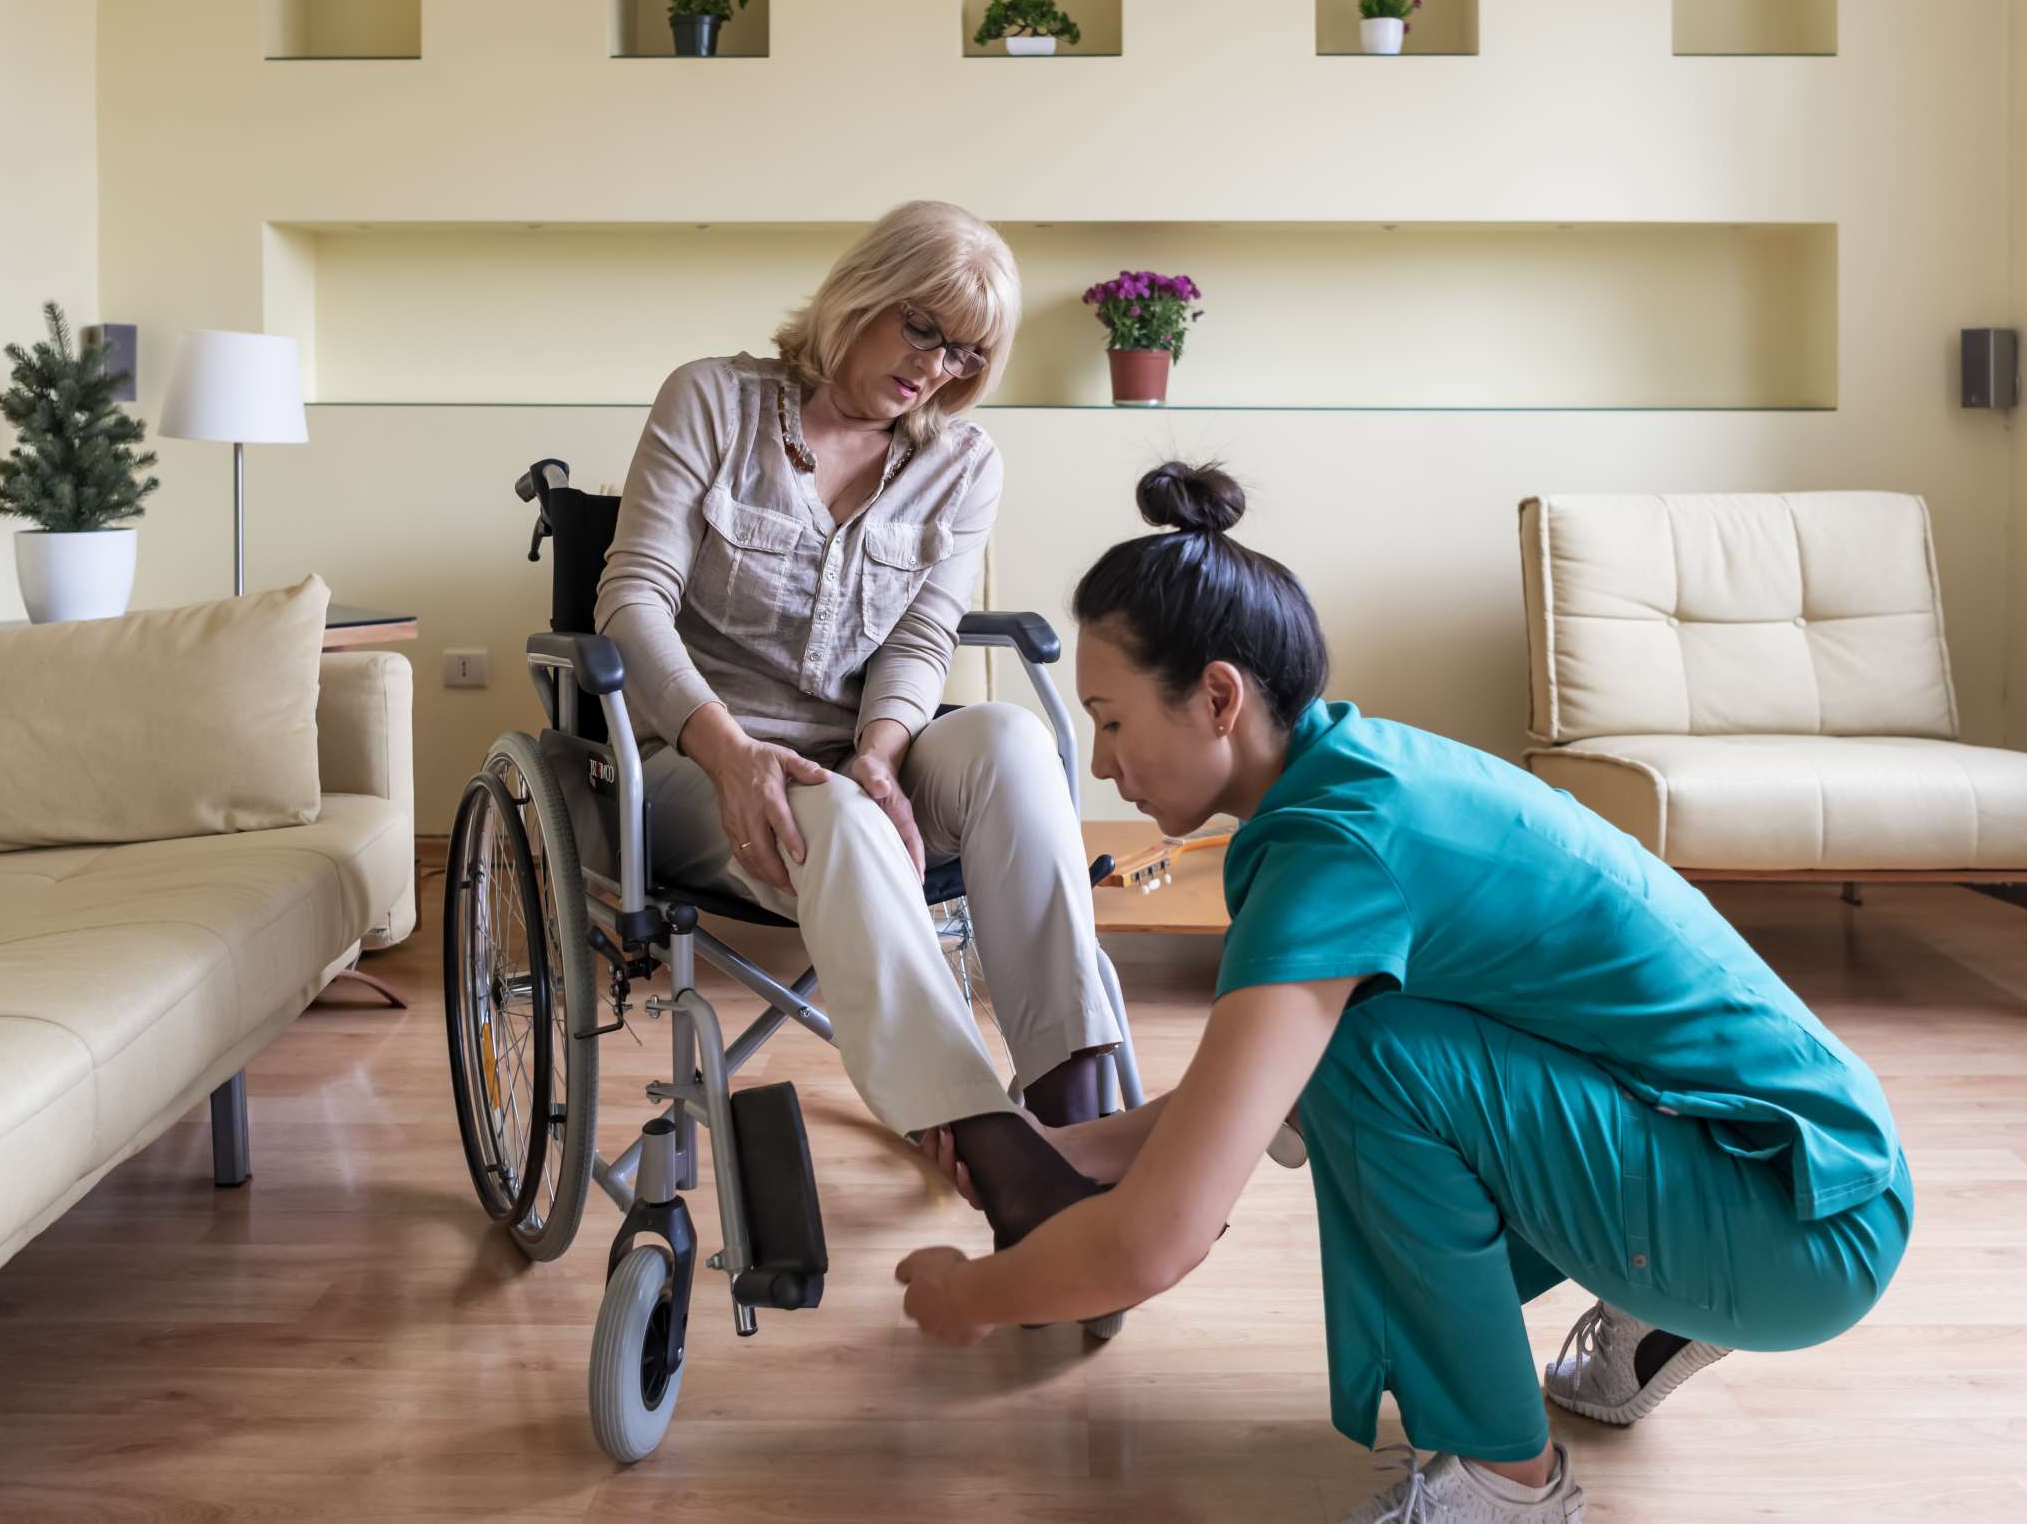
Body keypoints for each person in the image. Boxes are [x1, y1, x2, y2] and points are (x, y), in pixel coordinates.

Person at [896, 461, 1916, 1524]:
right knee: (1352, 1044)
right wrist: (1049, 1154)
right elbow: (1241, 1104)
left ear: (1215, 697)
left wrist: (972, 1297)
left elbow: (1161, 1239)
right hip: (1800, 1168)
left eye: (1109, 721)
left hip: (1790, 1222)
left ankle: (1503, 1483)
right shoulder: (1358, 772)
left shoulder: (1334, 856)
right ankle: (1652, 1311)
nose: (1102, 767)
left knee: (1363, 1056)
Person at [596, 198, 1123, 1251]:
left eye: (965, 352)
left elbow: (924, 637)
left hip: (858, 749)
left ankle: (1078, 1106)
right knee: (824, 809)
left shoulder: (963, 463)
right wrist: (733, 750)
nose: (935, 368)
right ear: (862, 296)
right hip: (699, 760)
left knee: (1013, 743)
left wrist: (884, 754)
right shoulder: (712, 402)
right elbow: (631, 602)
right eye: (920, 329)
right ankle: (992, 1149)